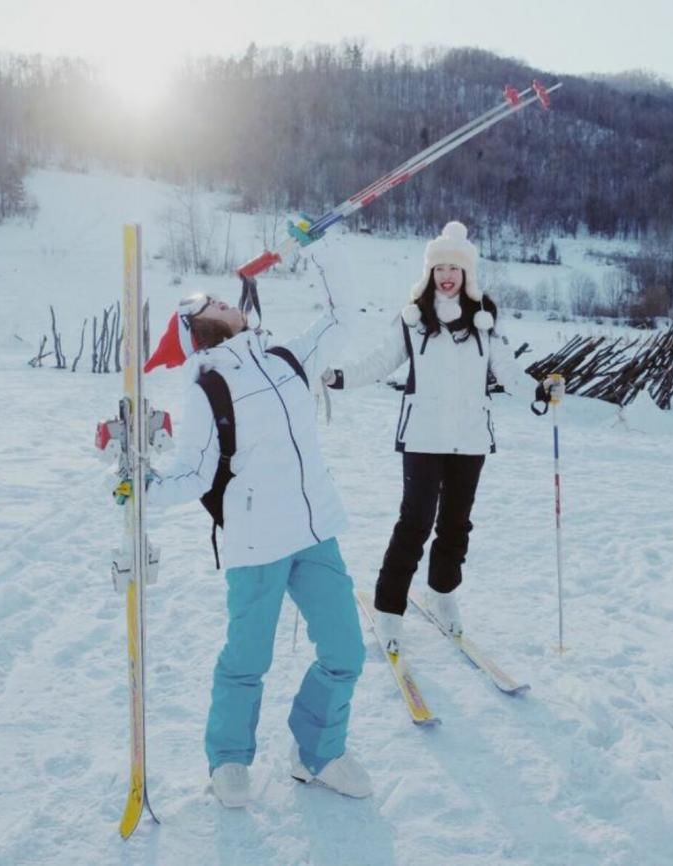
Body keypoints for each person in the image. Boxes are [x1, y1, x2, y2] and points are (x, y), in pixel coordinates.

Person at [129, 286, 370, 809]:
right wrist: (139, 487)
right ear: (199, 326)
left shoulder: (284, 358)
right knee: (246, 659)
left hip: (315, 532)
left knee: (346, 651)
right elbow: (193, 475)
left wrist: (318, 251)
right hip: (256, 541)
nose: (223, 298)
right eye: (210, 300)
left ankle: (317, 753)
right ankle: (229, 758)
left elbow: (342, 316)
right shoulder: (207, 391)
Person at [324, 221, 556, 652]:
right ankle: (390, 609)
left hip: (470, 438)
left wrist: (539, 391)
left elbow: (506, 370)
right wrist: (338, 377)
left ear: (467, 274)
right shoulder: (412, 319)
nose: (446, 275)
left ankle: (442, 594)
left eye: (455, 267)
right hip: (423, 437)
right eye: (439, 268)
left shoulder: (485, 321)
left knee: (455, 524)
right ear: (428, 273)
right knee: (415, 522)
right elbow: (379, 363)